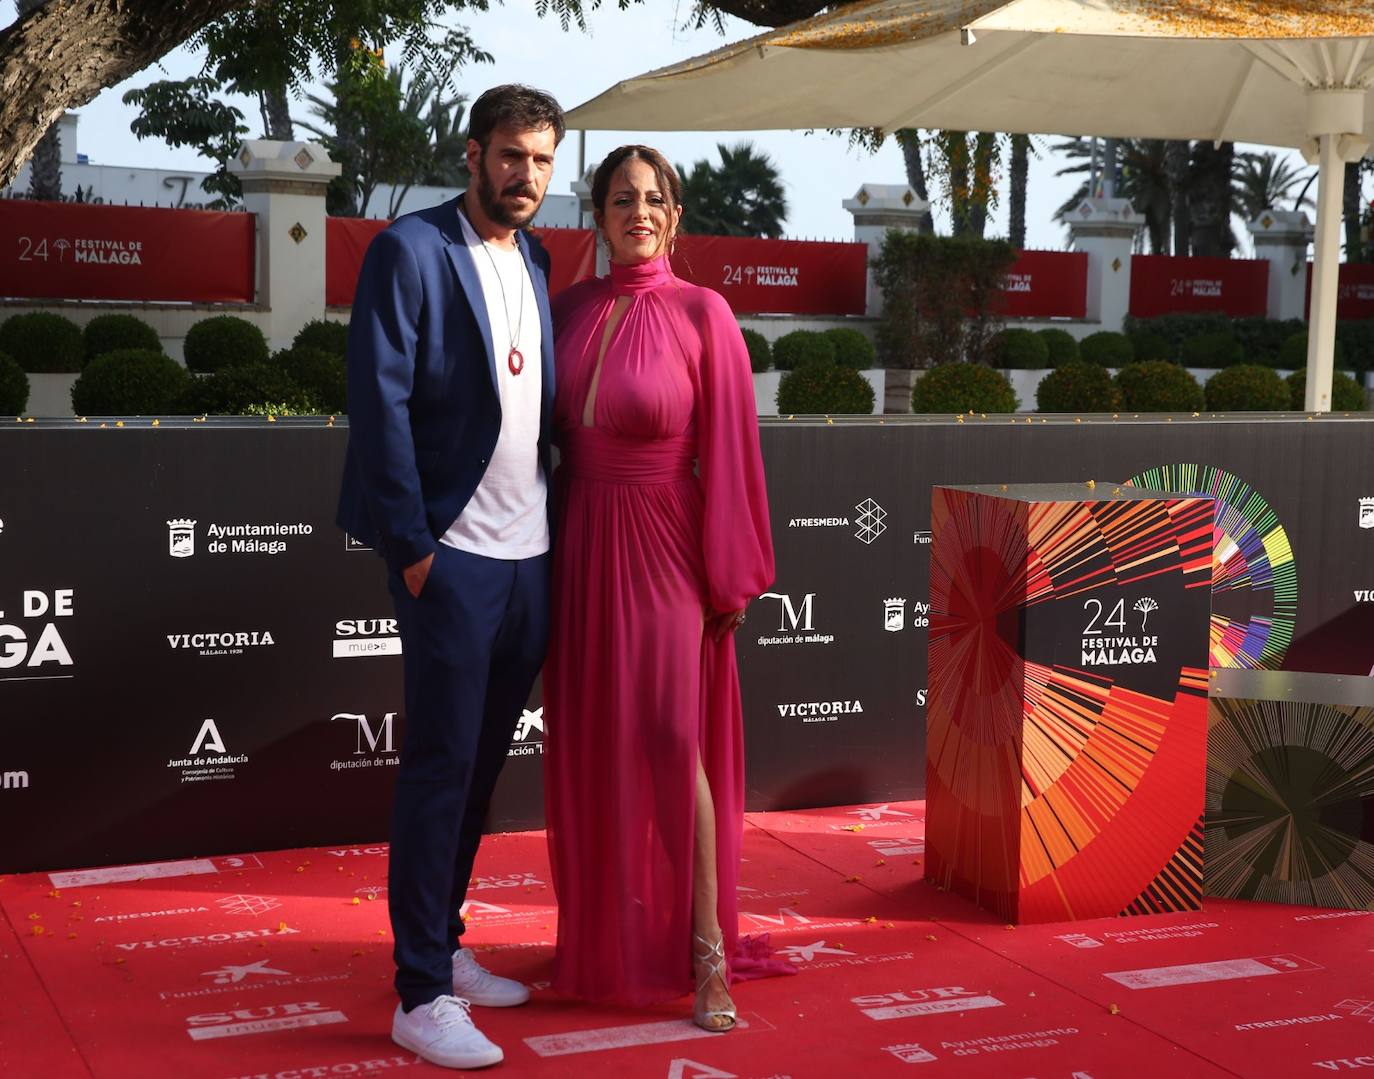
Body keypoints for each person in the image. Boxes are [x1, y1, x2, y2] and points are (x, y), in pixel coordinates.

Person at [335, 84, 564, 1070]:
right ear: (473, 155)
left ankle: (446, 945)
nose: (525, 176)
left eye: (542, 161)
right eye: (510, 156)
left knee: (476, 773)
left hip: (530, 559)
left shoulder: (544, 256)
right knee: (437, 770)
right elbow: (377, 399)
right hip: (453, 557)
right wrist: (414, 545)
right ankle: (419, 991)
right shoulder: (411, 249)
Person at [543, 144, 794, 1031]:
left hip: (663, 547)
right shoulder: (564, 309)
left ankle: (706, 957)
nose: (637, 212)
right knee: (594, 738)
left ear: (675, 216)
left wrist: (732, 572)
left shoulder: (703, 313)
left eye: (653, 199)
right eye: (620, 198)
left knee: (668, 738)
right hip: (579, 541)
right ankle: (606, 938)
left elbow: (732, 451)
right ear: (599, 214)